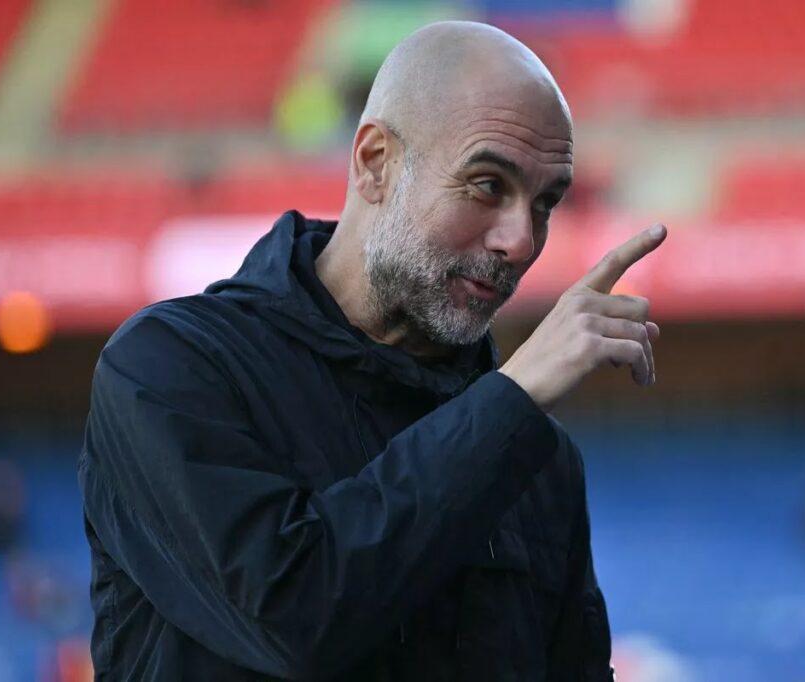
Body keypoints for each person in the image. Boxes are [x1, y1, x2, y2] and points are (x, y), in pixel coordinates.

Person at [79, 21, 666, 681]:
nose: (521, 241)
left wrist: (509, 411)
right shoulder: (169, 367)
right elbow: (292, 616)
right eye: (487, 185)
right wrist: (511, 402)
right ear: (375, 162)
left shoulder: (540, 457)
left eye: (546, 203)